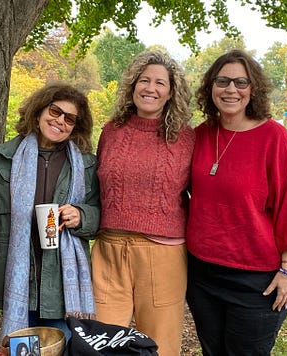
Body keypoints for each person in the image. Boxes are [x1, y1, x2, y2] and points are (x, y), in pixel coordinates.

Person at [0, 82, 100, 341]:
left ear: (76, 126)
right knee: (21, 346)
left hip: (62, 284)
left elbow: (101, 212)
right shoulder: (5, 156)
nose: (60, 121)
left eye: (70, 118)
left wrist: (82, 215)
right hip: (18, 276)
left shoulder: (86, 164)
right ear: (39, 111)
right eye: (55, 111)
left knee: (60, 347)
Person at [186, 49, 287, 355]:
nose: (231, 89)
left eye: (240, 82)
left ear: (252, 89)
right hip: (203, 274)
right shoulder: (201, 135)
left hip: (256, 281)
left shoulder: (274, 137)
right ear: (211, 87)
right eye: (222, 81)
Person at [93, 50, 194, 356]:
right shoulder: (111, 131)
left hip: (162, 254)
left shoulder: (186, 137)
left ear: (171, 93)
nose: (150, 88)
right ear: (133, 85)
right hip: (109, 252)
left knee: (160, 345)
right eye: (144, 80)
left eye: (160, 83)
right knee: (103, 344)